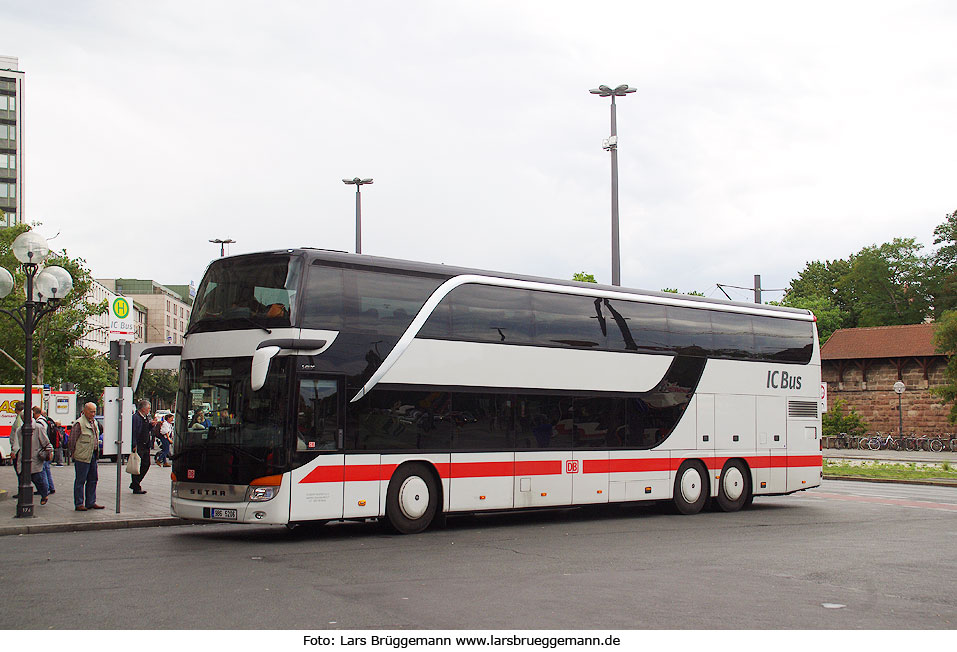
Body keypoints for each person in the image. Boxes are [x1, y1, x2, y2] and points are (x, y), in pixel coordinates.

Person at [70, 403, 104, 510]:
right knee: (80, 480)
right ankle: (79, 503)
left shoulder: (95, 423)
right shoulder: (79, 423)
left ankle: (91, 501)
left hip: (93, 454)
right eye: (91, 411)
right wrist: (73, 454)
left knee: (93, 479)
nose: (93, 414)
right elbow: (72, 440)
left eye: (94, 411)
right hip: (82, 456)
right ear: (85, 411)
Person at [17, 412, 53, 505]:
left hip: (35, 458)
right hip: (23, 460)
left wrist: (45, 453)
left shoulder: (38, 428)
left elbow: (47, 444)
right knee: (22, 479)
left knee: (38, 479)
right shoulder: (19, 430)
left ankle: (44, 494)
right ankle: (24, 499)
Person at [130, 399, 152, 494]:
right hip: (139, 445)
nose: (149, 410)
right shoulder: (136, 417)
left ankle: (135, 483)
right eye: (148, 408)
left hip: (145, 445)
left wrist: (152, 425)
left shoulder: (145, 418)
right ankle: (136, 485)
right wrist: (134, 444)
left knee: (146, 464)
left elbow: (146, 429)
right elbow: (134, 431)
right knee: (136, 466)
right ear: (143, 409)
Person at [33, 407, 56, 496]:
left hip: (42, 449)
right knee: (47, 469)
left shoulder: (39, 423)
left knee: (43, 470)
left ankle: (45, 489)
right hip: (46, 448)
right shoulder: (45, 421)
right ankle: (51, 487)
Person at [9, 401, 23, 486]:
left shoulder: (19, 419)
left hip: (18, 450)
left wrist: (14, 450)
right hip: (20, 448)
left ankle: (21, 488)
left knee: (19, 470)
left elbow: (17, 435)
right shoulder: (20, 418)